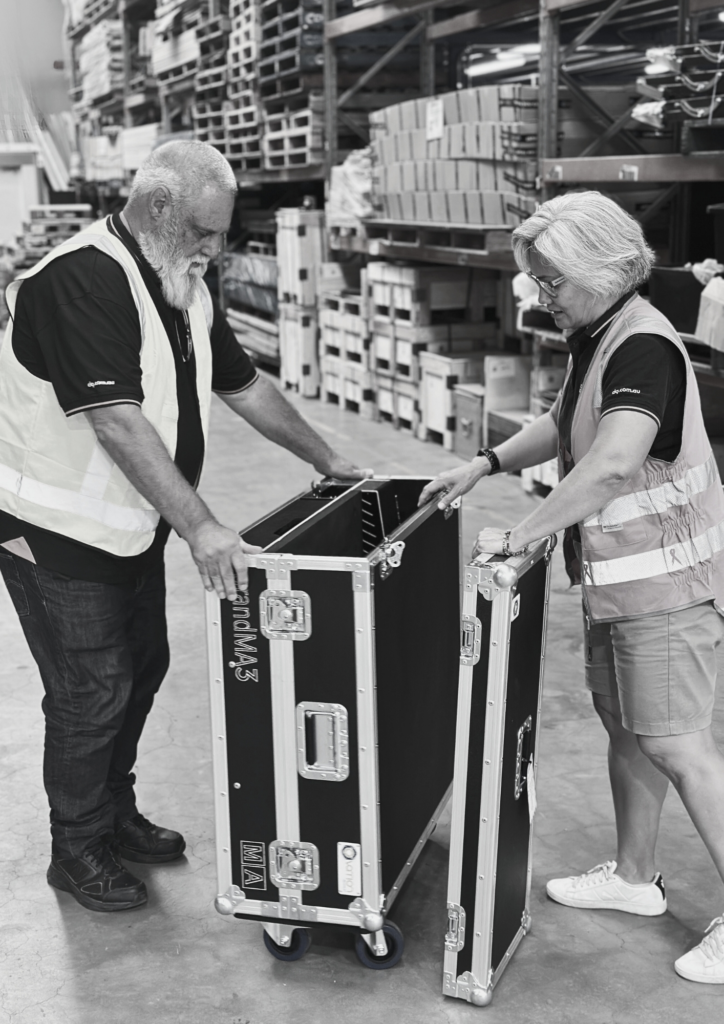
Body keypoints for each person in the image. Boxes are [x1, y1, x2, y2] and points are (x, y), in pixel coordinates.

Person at [0, 140, 370, 913]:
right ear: (159, 206)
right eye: (205, 229)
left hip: (129, 524)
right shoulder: (80, 277)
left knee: (141, 665)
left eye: (223, 232)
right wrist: (203, 527)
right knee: (89, 689)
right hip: (50, 527)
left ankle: (113, 813)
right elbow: (117, 423)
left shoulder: (183, 284)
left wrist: (331, 457)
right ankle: (76, 849)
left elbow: (244, 385)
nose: (216, 246)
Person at [420, 190, 724, 984]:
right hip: (620, 586)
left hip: (667, 588)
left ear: (603, 269)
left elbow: (615, 461)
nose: (540, 295)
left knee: (679, 747)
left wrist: (523, 533)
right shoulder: (598, 336)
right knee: (628, 731)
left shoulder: (645, 347)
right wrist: (482, 465)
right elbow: (565, 423)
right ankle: (633, 878)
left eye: (551, 280)